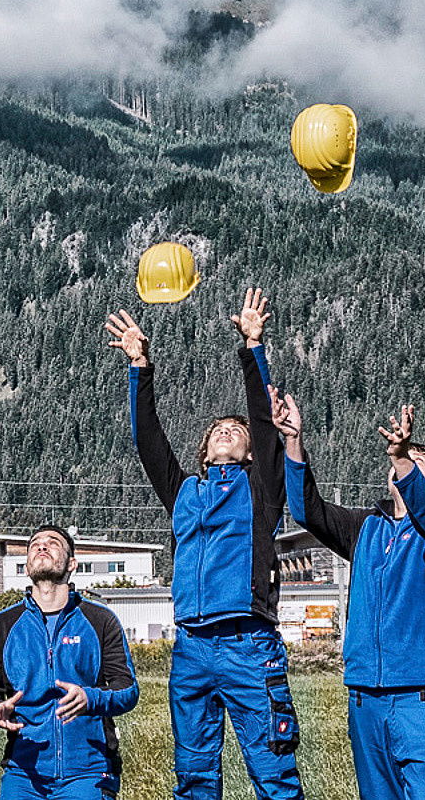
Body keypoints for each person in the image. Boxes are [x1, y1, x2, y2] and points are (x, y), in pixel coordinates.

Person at [104, 288, 301, 800]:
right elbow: (149, 441)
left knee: (273, 773)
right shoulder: (185, 492)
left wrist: (253, 348)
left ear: (252, 452)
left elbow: (264, 419)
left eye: (235, 431)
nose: (226, 432)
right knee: (193, 777)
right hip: (190, 647)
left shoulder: (261, 491)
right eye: (217, 429)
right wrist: (140, 366)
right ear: (204, 449)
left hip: (247, 645)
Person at [278, 397, 425, 800]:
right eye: (399, 460)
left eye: (416, 459)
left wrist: (404, 458)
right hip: (366, 697)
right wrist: (294, 442)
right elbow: (307, 510)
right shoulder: (366, 526)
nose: (403, 462)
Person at [0, 525, 138, 800]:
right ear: (26, 566)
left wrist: (90, 698)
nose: (42, 546)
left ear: (72, 563)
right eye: (35, 544)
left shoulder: (100, 620)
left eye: (53, 543)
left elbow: (128, 689)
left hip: (89, 771)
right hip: (24, 772)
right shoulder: (2, 625)